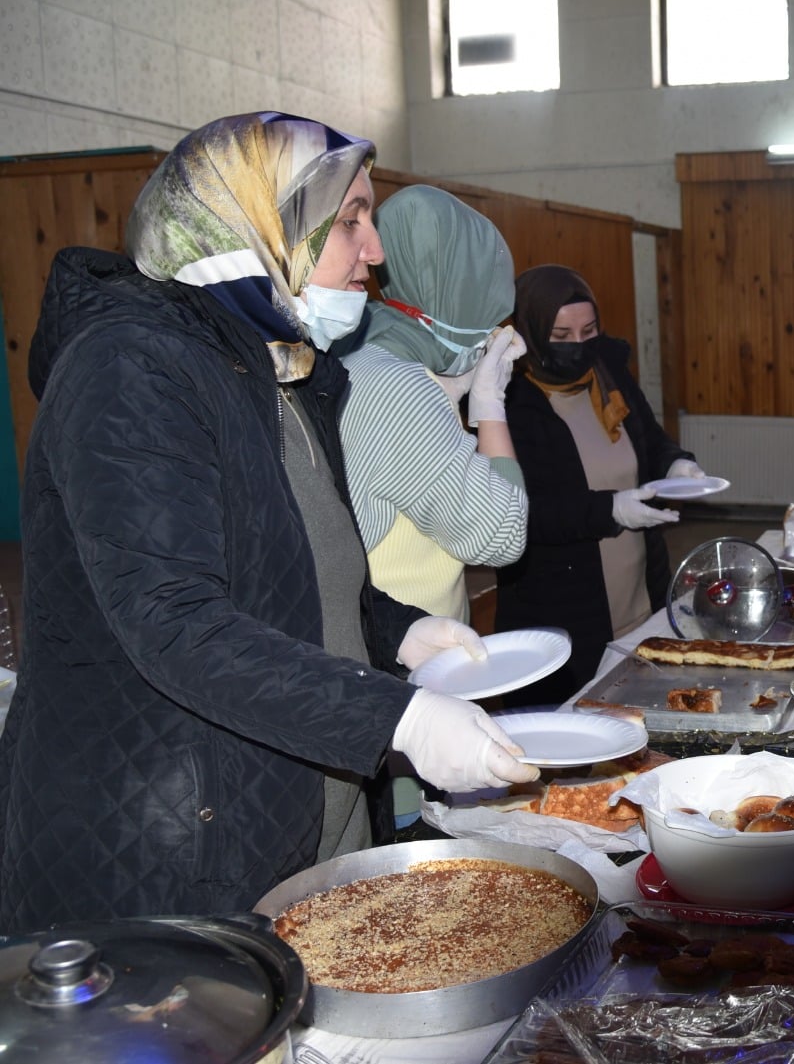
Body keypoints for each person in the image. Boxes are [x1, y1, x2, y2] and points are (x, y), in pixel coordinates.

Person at [0, 112, 540, 931]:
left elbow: (280, 573)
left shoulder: (285, 368)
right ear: (255, 224)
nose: (375, 250)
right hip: (172, 850)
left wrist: (390, 628)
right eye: (349, 220)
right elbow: (174, 621)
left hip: (300, 812)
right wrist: (392, 716)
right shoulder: (130, 367)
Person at [495, 265, 705, 703]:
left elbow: (649, 437)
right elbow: (521, 513)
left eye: (588, 331)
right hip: (563, 610)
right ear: (532, 332)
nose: (578, 346)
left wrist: (676, 465)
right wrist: (609, 510)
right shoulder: (511, 400)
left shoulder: (607, 372)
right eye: (561, 335)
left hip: (638, 598)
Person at [339, 184, 528, 623]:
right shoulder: (398, 387)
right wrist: (490, 407)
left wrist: (449, 394)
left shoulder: (362, 353)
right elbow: (501, 535)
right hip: (398, 660)